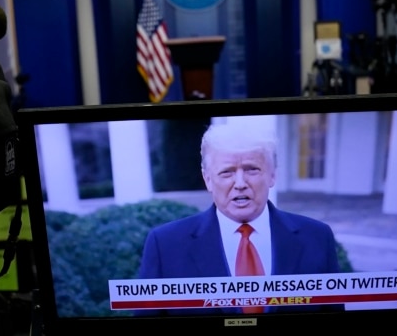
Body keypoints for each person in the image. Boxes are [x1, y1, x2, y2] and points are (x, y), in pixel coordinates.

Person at [137, 122, 342, 286]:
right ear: (208, 179)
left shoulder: (317, 237)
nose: (241, 184)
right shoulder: (165, 245)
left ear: (272, 175)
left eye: (252, 169)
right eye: (227, 172)